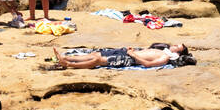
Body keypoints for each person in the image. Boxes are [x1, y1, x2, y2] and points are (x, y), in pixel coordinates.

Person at [48, 42, 192, 70]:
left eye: (176, 47)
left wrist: (133, 55)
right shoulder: (163, 50)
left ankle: (69, 65)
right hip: (129, 52)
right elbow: (145, 52)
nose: (173, 45)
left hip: (129, 59)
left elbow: (147, 64)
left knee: (98, 60)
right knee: (95, 54)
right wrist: (132, 49)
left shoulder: (165, 58)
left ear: (177, 53)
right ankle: (65, 58)